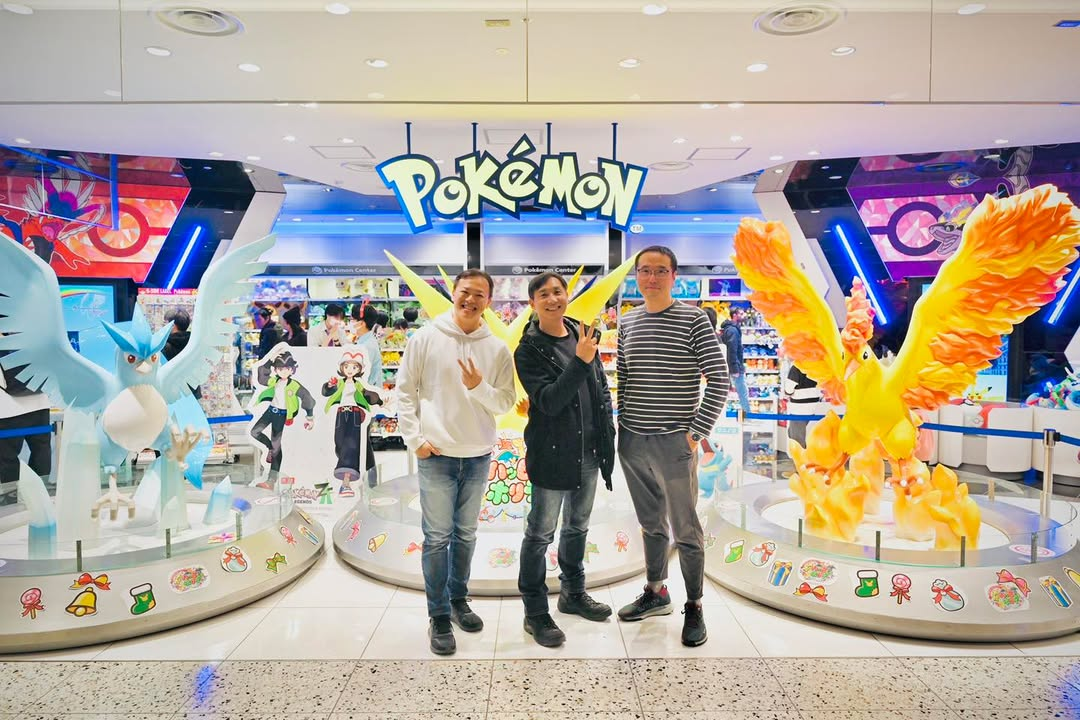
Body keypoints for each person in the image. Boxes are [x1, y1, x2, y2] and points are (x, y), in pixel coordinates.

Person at [395, 269, 516, 656]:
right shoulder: (426, 338)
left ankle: (459, 599)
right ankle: (439, 614)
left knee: (465, 534)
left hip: (477, 454)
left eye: (480, 294)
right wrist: (415, 440)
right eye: (466, 292)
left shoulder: (496, 348)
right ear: (453, 292)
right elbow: (404, 392)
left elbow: (506, 401)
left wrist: (478, 386)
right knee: (436, 538)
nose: (471, 299)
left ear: (489, 302)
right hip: (437, 455)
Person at [616, 245, 729, 647]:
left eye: (660, 270)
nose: (651, 278)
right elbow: (624, 378)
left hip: (674, 442)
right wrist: (621, 425)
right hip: (632, 439)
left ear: (674, 276)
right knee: (650, 522)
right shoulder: (627, 321)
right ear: (636, 276)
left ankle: (694, 605)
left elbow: (719, 379)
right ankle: (656, 591)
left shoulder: (693, 319)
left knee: (685, 528)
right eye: (645, 270)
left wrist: (696, 432)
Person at [514, 272, 616, 648]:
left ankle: (573, 593)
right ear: (533, 303)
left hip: (588, 451)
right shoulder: (528, 349)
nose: (553, 299)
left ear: (567, 295)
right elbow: (549, 401)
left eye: (558, 291)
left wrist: (607, 431)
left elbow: (600, 388)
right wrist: (581, 361)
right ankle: (535, 611)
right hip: (553, 454)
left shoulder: (581, 332)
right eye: (544, 294)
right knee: (540, 533)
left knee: (577, 527)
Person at [322, 351, 382, 497]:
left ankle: (346, 482)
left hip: (354, 415)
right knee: (339, 443)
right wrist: (329, 385)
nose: (350, 370)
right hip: (341, 414)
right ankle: (346, 474)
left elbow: (368, 395)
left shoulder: (358, 384)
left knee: (351, 444)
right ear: (342, 368)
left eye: (354, 367)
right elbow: (326, 392)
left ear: (359, 370)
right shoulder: (339, 383)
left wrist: (380, 401)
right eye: (347, 366)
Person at [250, 348, 314, 480]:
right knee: (254, 432)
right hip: (270, 411)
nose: (283, 371)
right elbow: (262, 377)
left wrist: (309, 416)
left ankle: (272, 479)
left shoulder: (294, 385)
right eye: (280, 369)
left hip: (281, 415)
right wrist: (270, 359)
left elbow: (307, 397)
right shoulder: (274, 381)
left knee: (276, 445)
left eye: (287, 368)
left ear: (292, 370)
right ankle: (269, 448)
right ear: (276, 370)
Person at [0, 349, 52, 502]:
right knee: (41, 452)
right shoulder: (32, 341)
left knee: (8, 459)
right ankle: (40, 500)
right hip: (40, 403)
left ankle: (11, 502)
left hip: (7, 409)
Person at [350, 302, 385, 474]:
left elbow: (359, 374)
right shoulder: (365, 342)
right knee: (362, 441)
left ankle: (371, 481)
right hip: (364, 398)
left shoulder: (366, 346)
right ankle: (369, 481)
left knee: (362, 442)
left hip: (363, 399)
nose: (350, 322)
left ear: (361, 323)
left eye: (352, 319)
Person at [162, 308, 201, 399]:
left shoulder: (165, 346)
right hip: (193, 391)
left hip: (173, 394)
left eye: (165, 323)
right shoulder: (194, 344)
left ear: (173, 326)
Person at [720, 308, 752, 414]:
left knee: (740, 391)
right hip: (735, 367)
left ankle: (744, 413)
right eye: (741, 313)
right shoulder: (733, 331)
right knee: (743, 392)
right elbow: (732, 350)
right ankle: (747, 415)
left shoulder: (731, 329)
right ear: (734, 315)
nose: (744, 315)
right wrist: (735, 368)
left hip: (735, 365)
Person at [783, 364, 821, 448]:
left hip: (799, 407)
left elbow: (789, 388)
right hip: (814, 405)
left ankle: (801, 455)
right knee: (805, 433)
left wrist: (787, 393)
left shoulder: (797, 367)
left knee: (797, 439)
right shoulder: (817, 365)